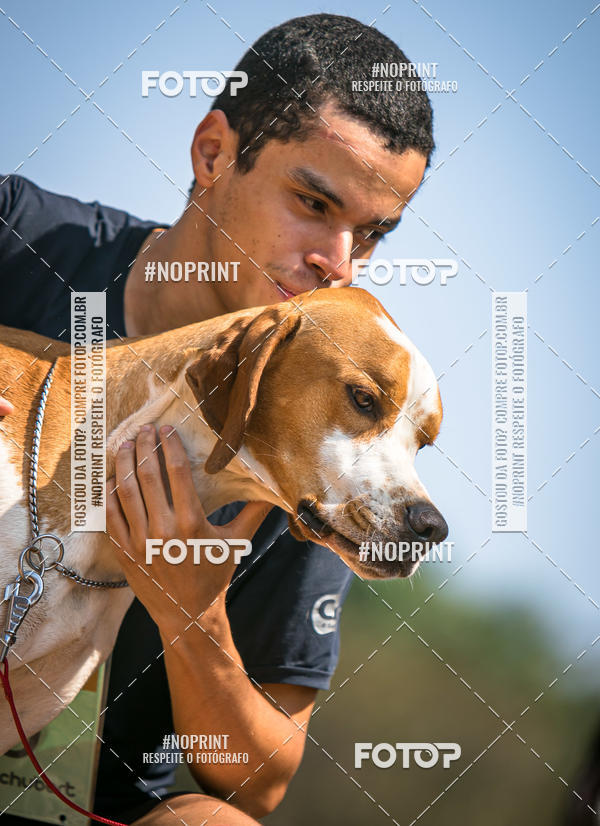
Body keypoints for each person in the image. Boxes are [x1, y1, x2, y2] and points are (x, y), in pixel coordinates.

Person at [0, 12, 434, 825]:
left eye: (371, 236)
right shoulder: (20, 237)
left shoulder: (311, 440)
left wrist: (189, 609)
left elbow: (259, 783)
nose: (337, 264)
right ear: (212, 154)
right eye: (313, 202)